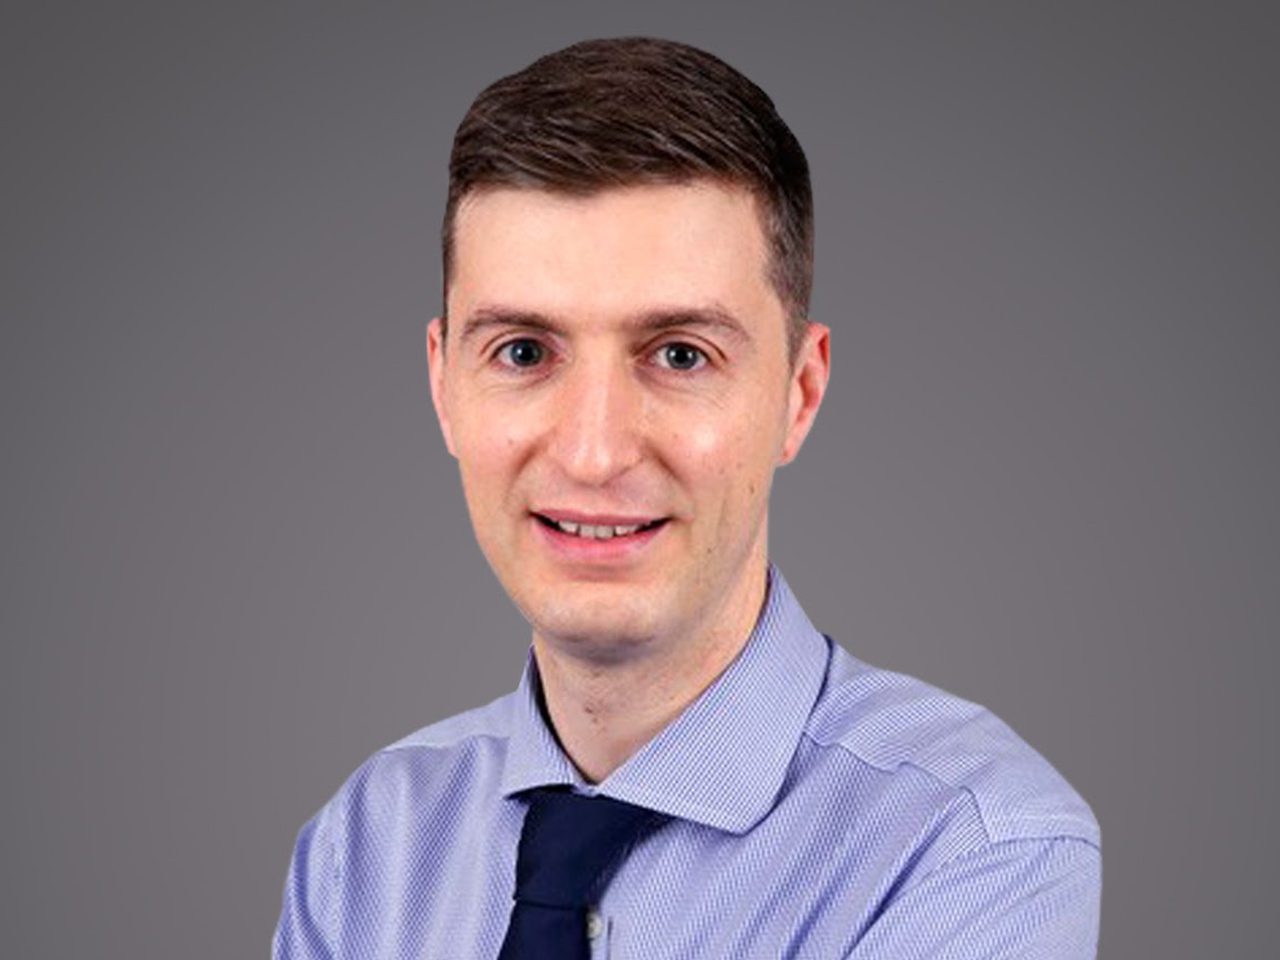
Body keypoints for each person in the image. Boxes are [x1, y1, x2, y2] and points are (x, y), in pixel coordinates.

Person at [274, 37, 1101, 959]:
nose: (592, 453)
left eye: (679, 354)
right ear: (443, 388)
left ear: (799, 393)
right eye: (522, 352)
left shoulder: (974, 846)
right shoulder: (366, 848)